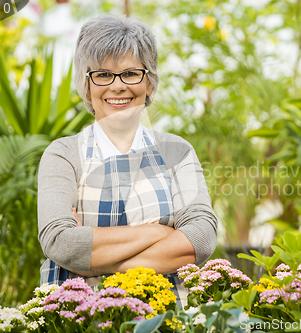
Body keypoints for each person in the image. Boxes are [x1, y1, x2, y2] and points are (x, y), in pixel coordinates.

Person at [37, 14, 218, 307]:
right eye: (103, 74)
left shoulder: (177, 150)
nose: (118, 86)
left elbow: (201, 237)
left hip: (165, 317)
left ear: (149, 83)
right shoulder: (63, 154)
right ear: (87, 86)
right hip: (79, 320)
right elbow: (61, 242)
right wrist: (159, 232)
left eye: (131, 73)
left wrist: (98, 264)